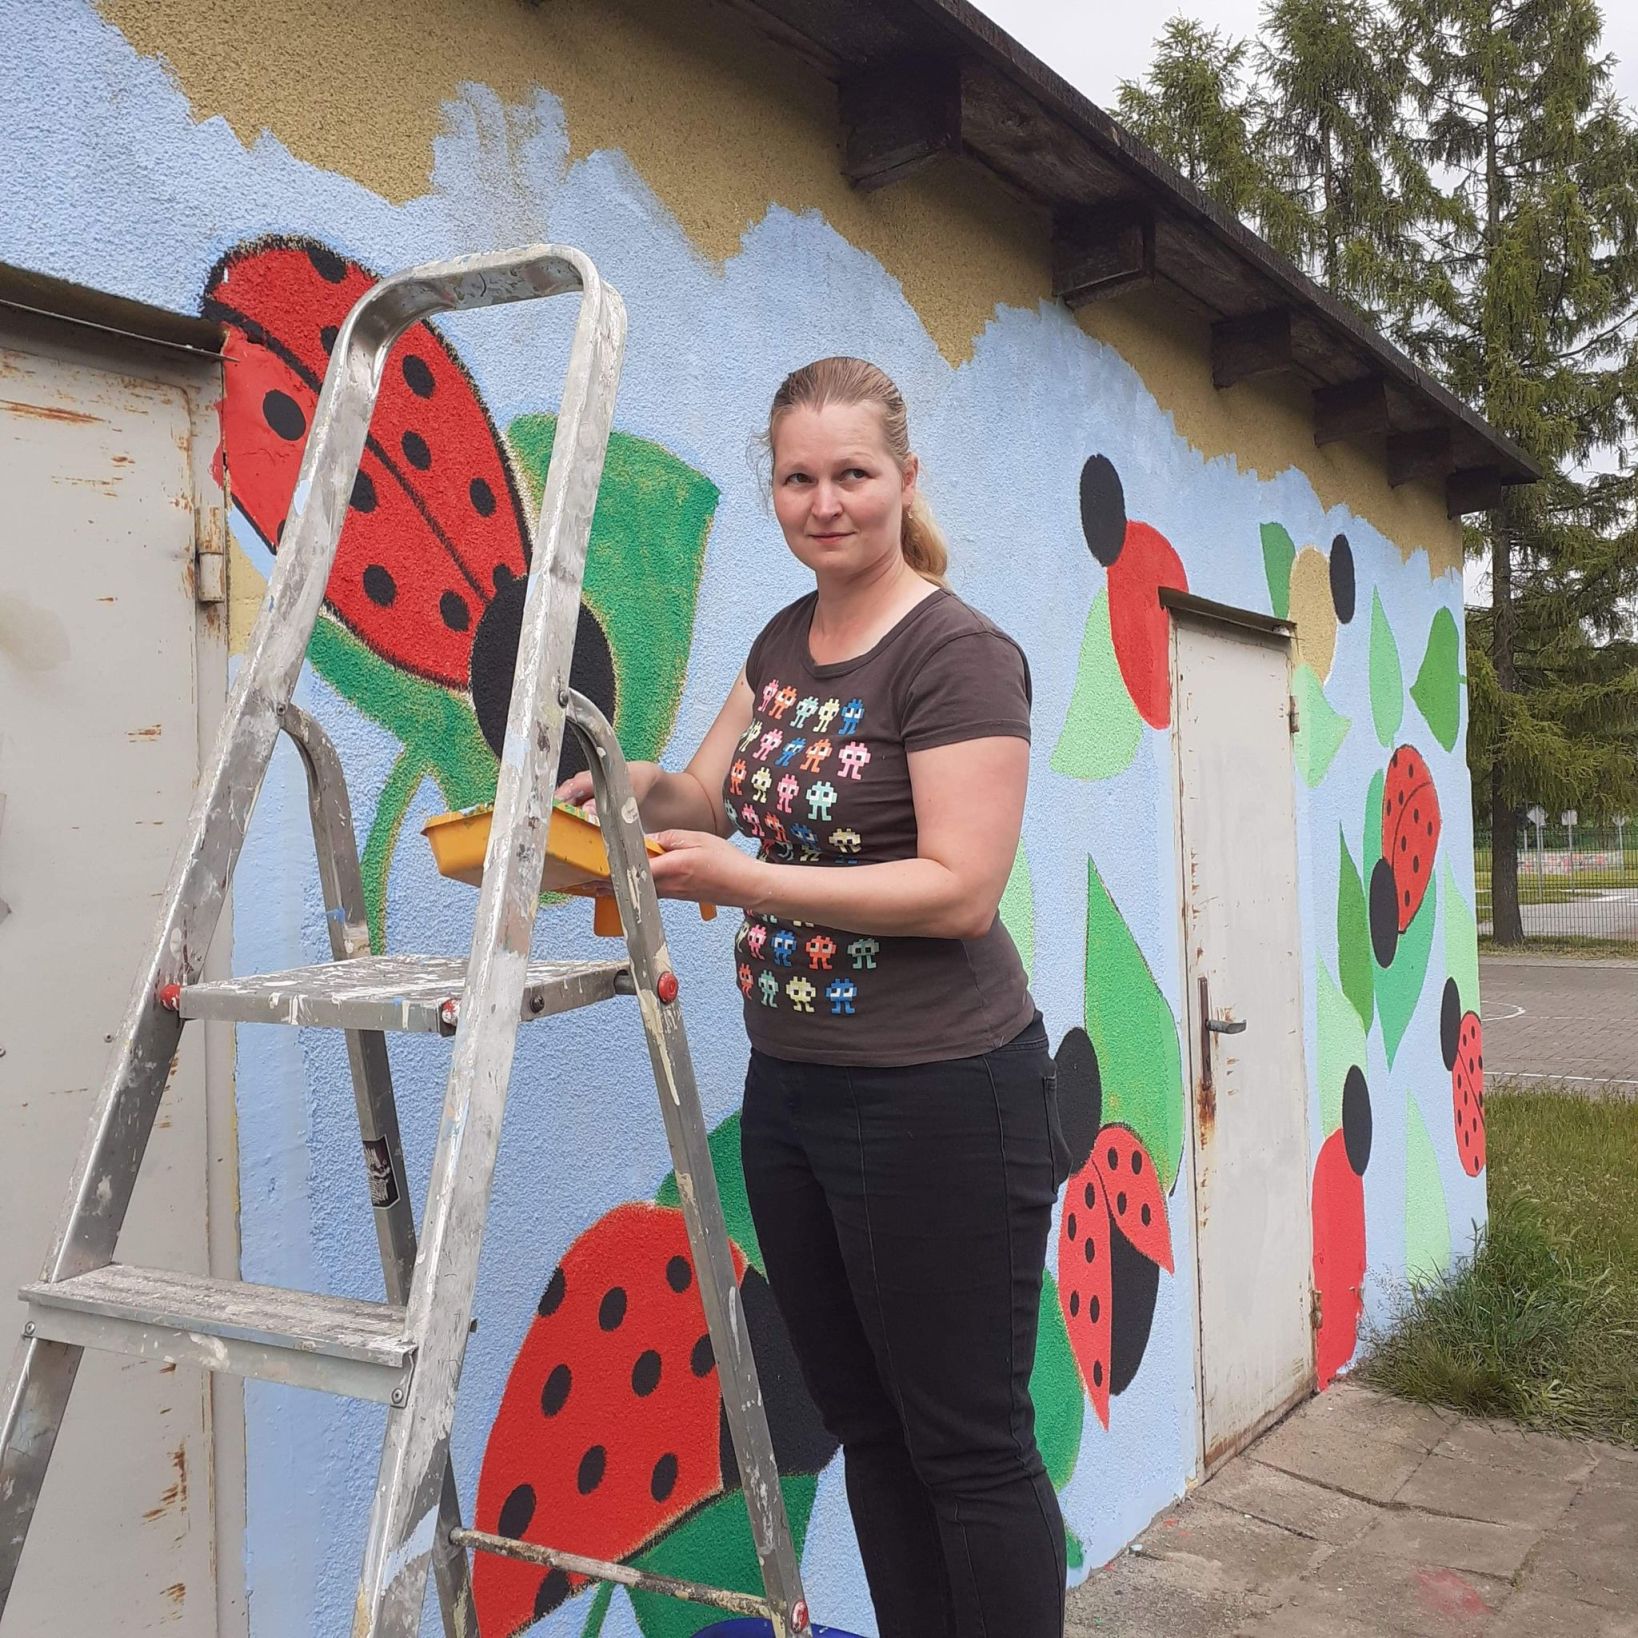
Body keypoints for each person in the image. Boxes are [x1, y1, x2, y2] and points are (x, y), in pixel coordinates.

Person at [557, 356, 1068, 1638]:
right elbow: (710, 797)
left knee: (968, 1443)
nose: (824, 501)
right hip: (795, 1094)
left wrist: (749, 879)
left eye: (853, 474)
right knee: (866, 1425)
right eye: (799, 477)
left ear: (905, 480)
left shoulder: (958, 654)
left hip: (946, 1099)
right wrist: (625, 788)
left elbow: (959, 887)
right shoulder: (783, 640)